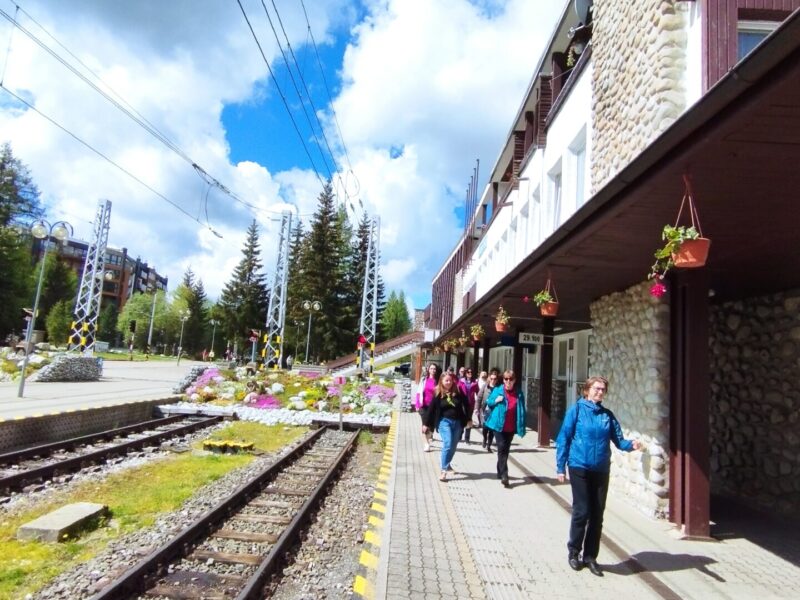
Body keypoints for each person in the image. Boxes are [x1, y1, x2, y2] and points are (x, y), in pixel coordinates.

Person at [556, 376, 643, 576]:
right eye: (596, 388)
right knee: (582, 511)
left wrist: (632, 445)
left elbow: (619, 441)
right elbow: (564, 438)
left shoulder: (607, 416)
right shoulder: (576, 411)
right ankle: (574, 551)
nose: (600, 392)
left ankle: (590, 557)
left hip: (601, 469)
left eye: (603, 389)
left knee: (597, 515)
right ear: (586, 390)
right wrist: (560, 467)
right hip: (579, 466)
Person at [423, 371, 469, 481]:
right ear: (441, 382)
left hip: (457, 422)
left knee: (453, 446)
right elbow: (431, 409)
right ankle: (443, 471)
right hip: (444, 422)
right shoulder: (438, 392)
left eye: (450, 380)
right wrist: (426, 424)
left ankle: (447, 464)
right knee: (447, 443)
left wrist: (469, 419)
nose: (448, 382)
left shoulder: (457, 390)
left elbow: (466, 404)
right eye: (446, 380)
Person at [484, 369, 526, 487]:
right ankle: (505, 475)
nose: (508, 381)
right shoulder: (498, 390)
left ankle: (499, 469)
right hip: (498, 425)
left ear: (514, 380)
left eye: (510, 379)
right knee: (501, 447)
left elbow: (522, 410)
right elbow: (489, 401)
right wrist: (496, 400)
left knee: (505, 450)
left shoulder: (518, 393)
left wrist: (521, 424)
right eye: (506, 379)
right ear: (503, 380)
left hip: (511, 427)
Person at [415, 363, 441, 452]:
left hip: (434, 407)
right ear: (428, 370)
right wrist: (417, 404)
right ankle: (426, 444)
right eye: (431, 368)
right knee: (424, 425)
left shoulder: (438, 381)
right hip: (424, 406)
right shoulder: (424, 380)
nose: (433, 370)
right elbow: (418, 392)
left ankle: (428, 438)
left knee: (431, 427)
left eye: (434, 369)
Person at [476, 369, 500, 451]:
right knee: (485, 428)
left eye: (495, 379)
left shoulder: (499, 388)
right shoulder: (485, 386)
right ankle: (484, 438)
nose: (493, 381)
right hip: (485, 410)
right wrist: (476, 408)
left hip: (494, 411)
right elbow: (479, 398)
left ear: (497, 379)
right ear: (489, 378)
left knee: (492, 430)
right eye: (492, 378)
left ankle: (489, 445)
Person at [458, 368, 479, 443]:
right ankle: (459, 436)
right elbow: (458, 391)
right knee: (461, 419)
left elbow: (478, 393)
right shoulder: (461, 381)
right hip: (462, 403)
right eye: (468, 372)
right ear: (465, 373)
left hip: (470, 404)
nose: (469, 373)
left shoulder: (475, 382)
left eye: (471, 372)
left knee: (469, 420)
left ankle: (467, 438)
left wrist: (478, 405)